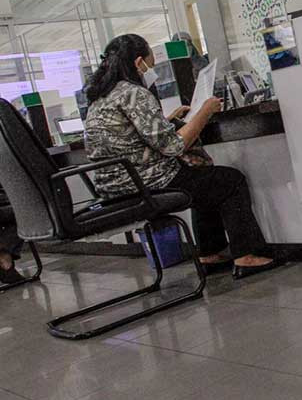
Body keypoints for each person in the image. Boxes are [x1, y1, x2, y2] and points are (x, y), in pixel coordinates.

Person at [83, 34, 283, 280]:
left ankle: (210, 254)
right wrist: (205, 111)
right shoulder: (134, 93)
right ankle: (246, 257)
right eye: (151, 65)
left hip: (115, 188)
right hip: (145, 185)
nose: (152, 71)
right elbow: (174, 146)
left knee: (202, 177)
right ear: (138, 63)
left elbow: (127, 136)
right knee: (229, 181)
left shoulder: (100, 99)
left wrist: (166, 120)